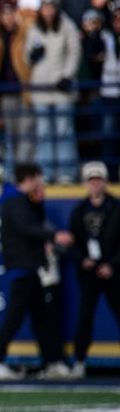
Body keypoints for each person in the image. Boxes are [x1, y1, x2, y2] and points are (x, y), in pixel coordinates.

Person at [0, 162, 76, 381]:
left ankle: (52, 362)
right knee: (15, 317)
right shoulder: (14, 201)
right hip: (21, 267)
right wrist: (54, 236)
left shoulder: (22, 201)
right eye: (38, 178)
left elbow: (33, 221)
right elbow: (28, 228)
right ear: (31, 178)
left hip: (30, 266)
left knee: (41, 318)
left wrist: (39, 201)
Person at [68, 161, 120, 379]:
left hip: (113, 272)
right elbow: (74, 241)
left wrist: (112, 264)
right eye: (91, 180)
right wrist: (83, 261)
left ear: (105, 182)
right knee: (85, 316)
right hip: (89, 272)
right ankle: (79, 360)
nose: (95, 184)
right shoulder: (80, 210)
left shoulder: (116, 207)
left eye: (98, 179)